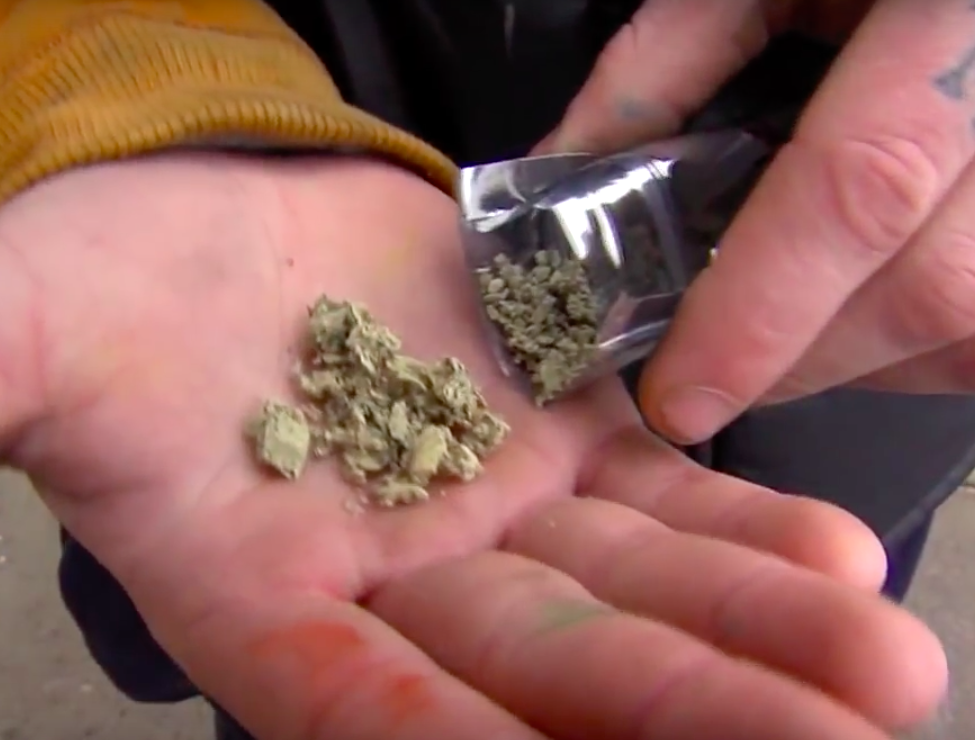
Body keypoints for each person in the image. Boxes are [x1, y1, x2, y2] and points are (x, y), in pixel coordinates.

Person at [0, 0, 972, 738]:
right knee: (305, 673)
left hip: (857, 401)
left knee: (791, 649)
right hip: (303, 107)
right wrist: (123, 87)